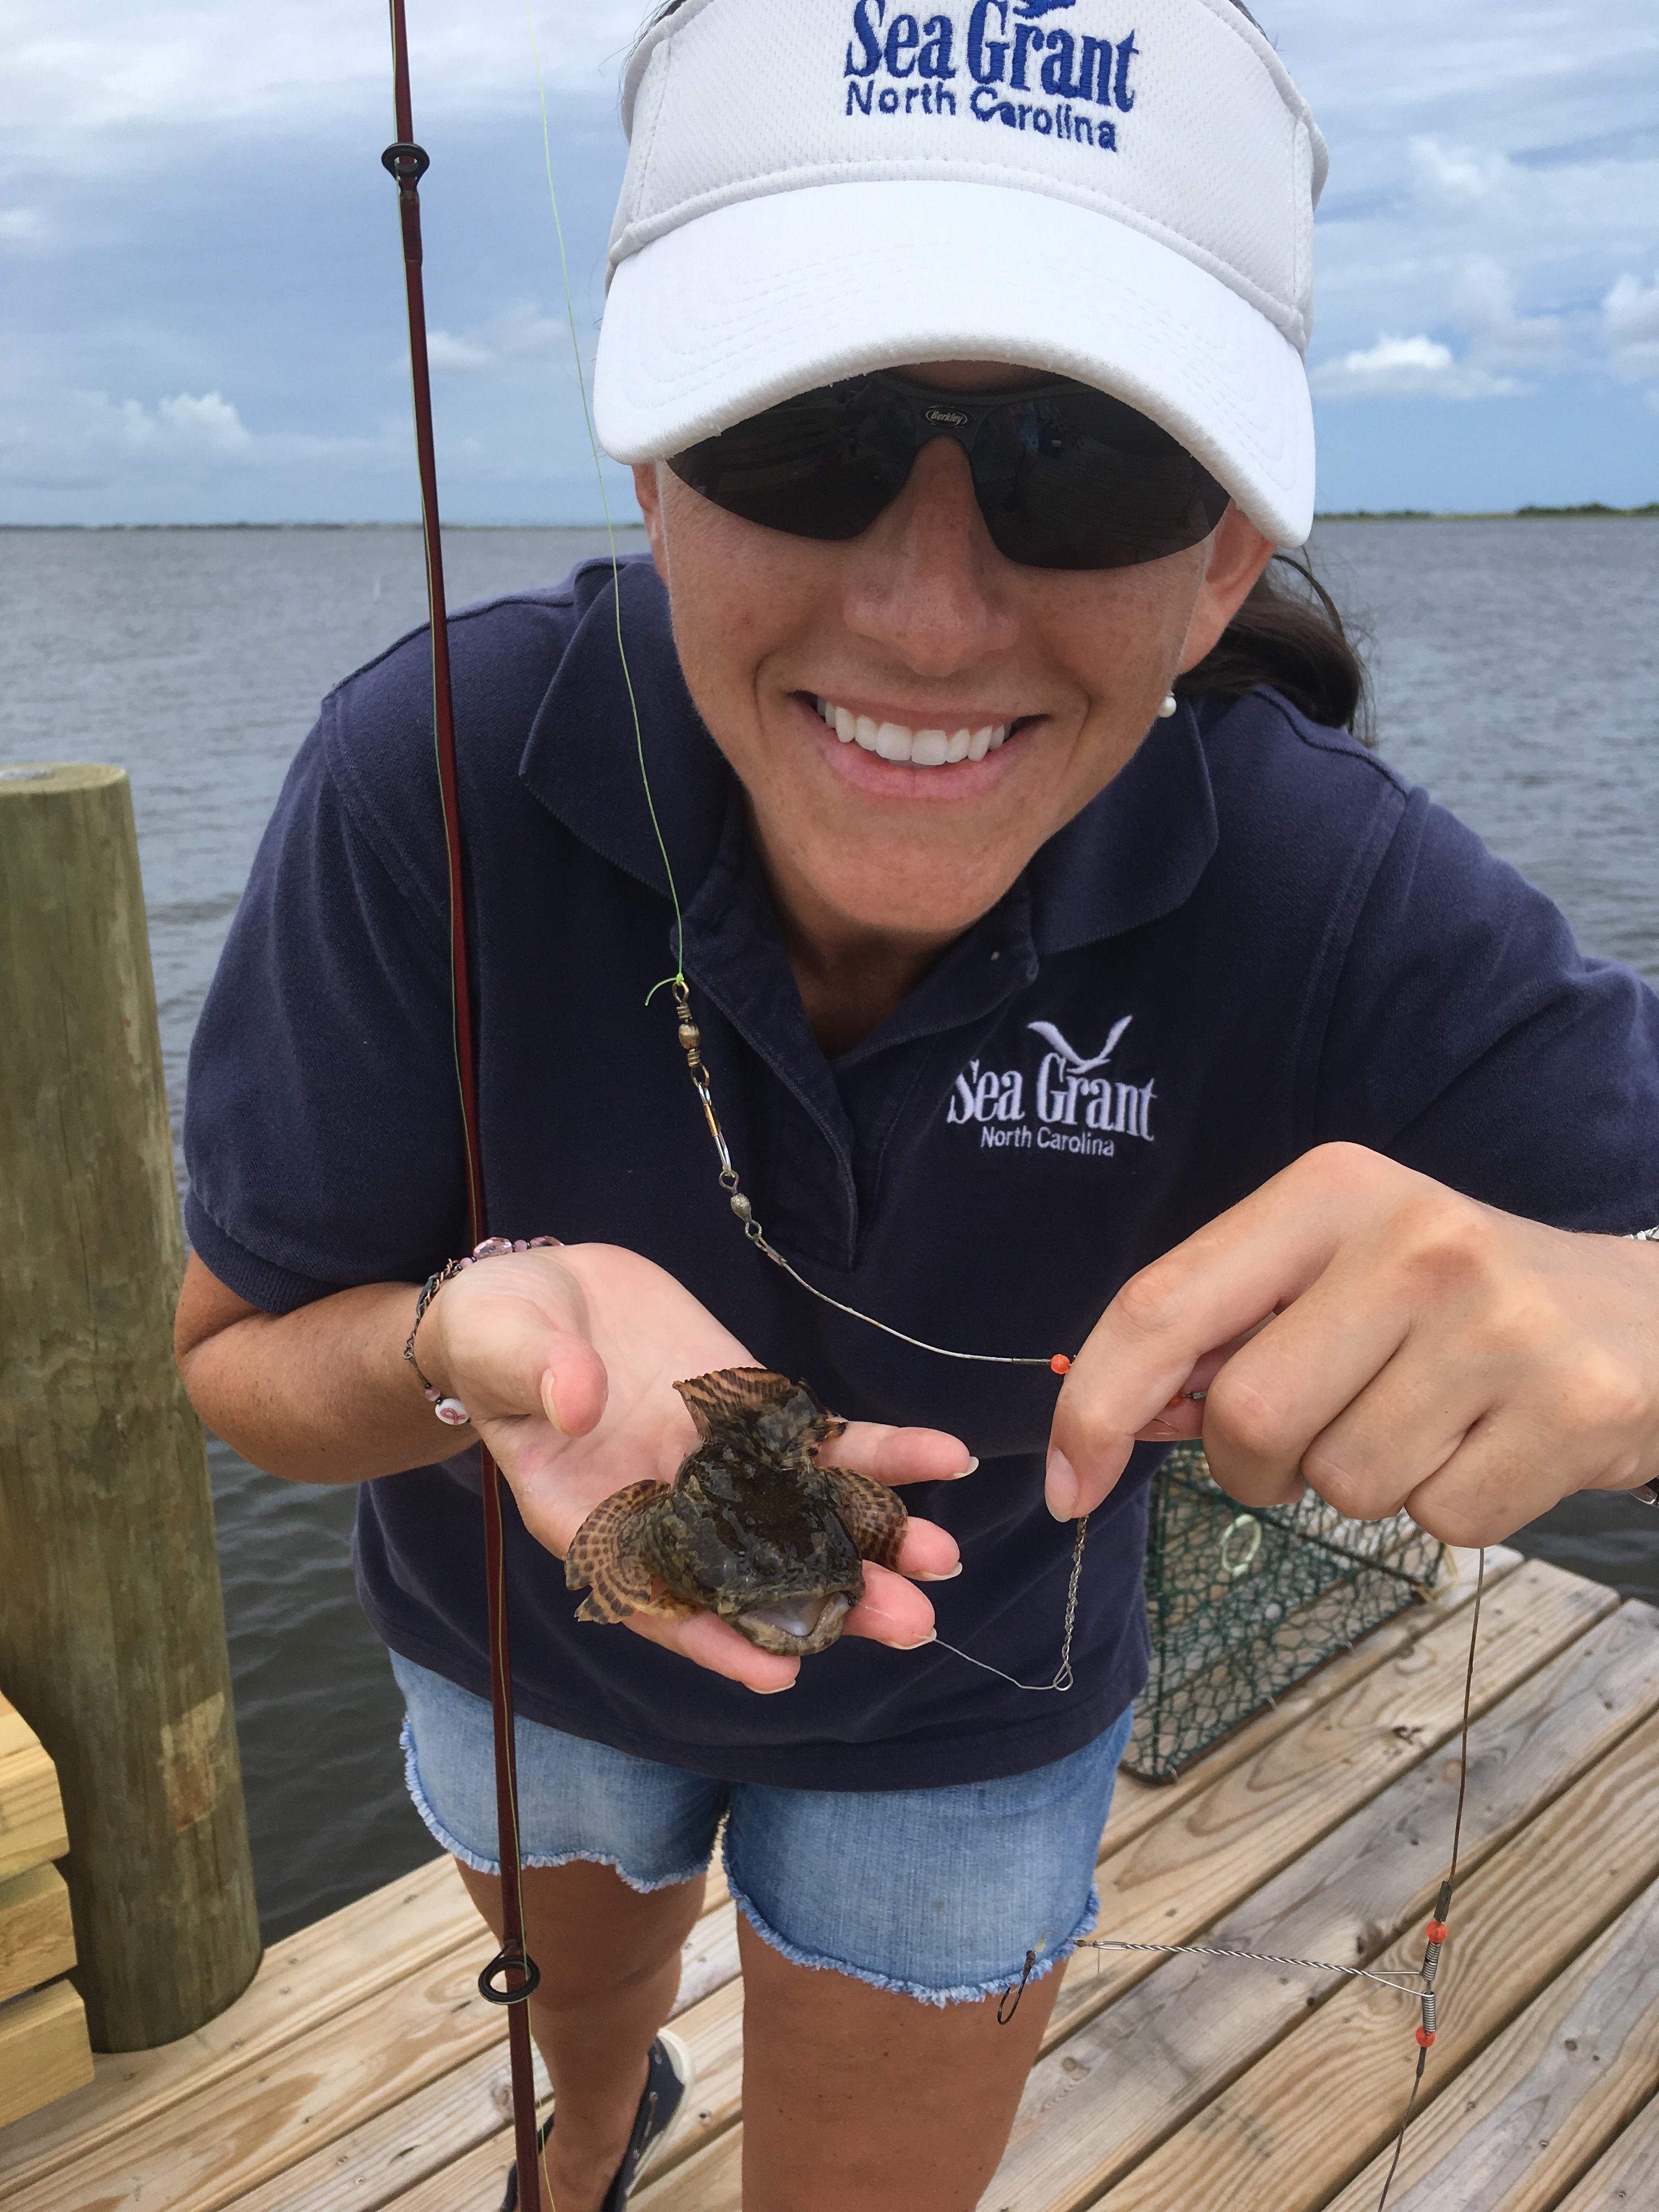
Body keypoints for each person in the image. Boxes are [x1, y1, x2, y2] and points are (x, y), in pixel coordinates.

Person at [173, 2, 1659, 2208]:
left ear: (1227, 554)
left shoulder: (1323, 884)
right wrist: (448, 1356)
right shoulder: (433, 783)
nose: (927, 604)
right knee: (570, 2036)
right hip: (531, 1646)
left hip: (969, 1710)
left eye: (1093, 463)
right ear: (655, 466)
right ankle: (588, 2137)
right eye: (805, 433)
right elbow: (235, 1361)